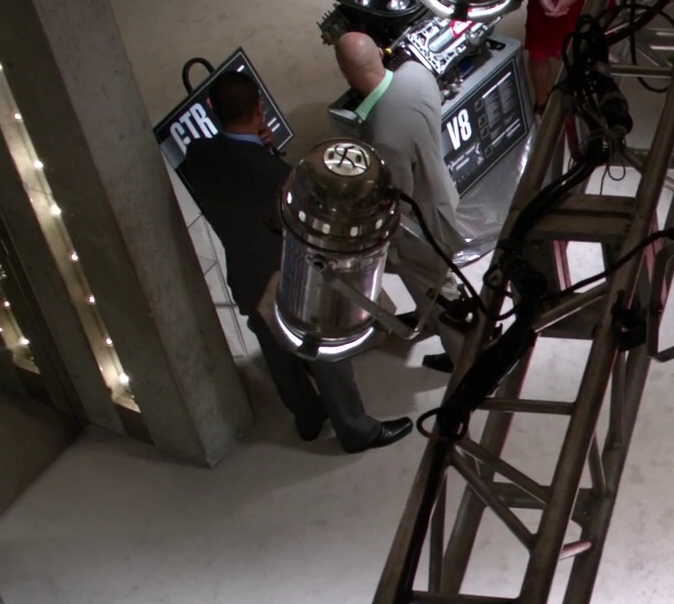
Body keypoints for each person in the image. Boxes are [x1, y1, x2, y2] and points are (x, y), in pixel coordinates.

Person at [180, 71, 410, 453]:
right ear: (259, 108)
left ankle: (307, 417)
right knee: (324, 354)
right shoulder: (278, 176)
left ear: (212, 111)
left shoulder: (198, 155)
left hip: (245, 276)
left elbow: (236, 176)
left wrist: (261, 150)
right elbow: (296, 223)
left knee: (276, 355)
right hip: (288, 282)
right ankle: (356, 430)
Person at [335, 32, 469, 373]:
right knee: (430, 285)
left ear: (346, 73)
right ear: (380, 54)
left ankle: (463, 359)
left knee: (440, 293)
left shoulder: (383, 137)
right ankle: (427, 315)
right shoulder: (416, 74)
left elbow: (398, 202)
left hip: (424, 229)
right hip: (442, 194)